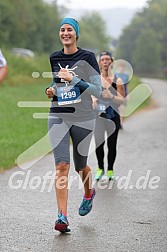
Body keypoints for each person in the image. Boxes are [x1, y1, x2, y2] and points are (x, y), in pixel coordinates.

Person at [45, 18, 101, 232]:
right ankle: (62, 217)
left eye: (70, 30)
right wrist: (50, 90)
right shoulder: (55, 57)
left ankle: (89, 193)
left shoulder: (87, 57)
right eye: (62, 29)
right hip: (58, 114)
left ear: (76, 34)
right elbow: (57, 82)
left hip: (84, 117)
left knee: (80, 166)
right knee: (62, 166)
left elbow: (96, 90)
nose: (65, 33)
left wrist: (74, 79)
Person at [93, 51, 125, 181]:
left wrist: (112, 96)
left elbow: (122, 99)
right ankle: (100, 168)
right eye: (103, 60)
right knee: (98, 144)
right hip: (99, 116)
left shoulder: (118, 80)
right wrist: (93, 100)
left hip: (113, 117)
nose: (105, 62)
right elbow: (91, 94)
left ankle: (110, 170)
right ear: (100, 63)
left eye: (108, 59)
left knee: (112, 145)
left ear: (112, 62)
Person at [115, 61, 129, 129]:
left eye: (122, 67)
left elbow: (127, 86)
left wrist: (128, 95)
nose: (121, 68)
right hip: (116, 93)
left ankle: (121, 123)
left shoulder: (126, 75)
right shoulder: (115, 74)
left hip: (124, 94)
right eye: (120, 67)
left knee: (122, 109)